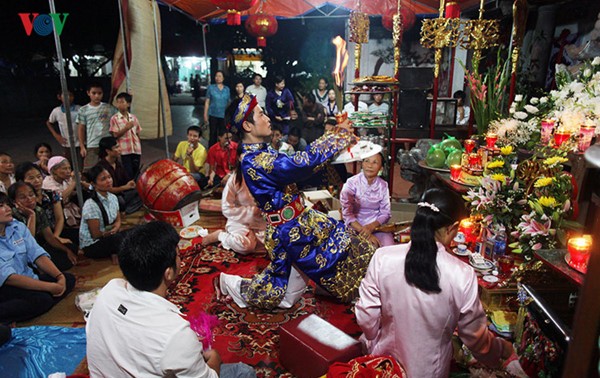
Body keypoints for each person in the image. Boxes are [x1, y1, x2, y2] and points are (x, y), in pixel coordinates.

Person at [216, 94, 376, 310]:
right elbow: (299, 164)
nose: (267, 117)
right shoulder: (255, 161)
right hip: (290, 232)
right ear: (247, 125)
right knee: (283, 296)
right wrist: (338, 135)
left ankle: (338, 285)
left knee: (349, 245)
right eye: (261, 114)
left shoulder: (263, 151)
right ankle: (227, 282)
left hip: (302, 220)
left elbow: (299, 166)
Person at [355, 188, 520, 378]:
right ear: (452, 228)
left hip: (384, 364)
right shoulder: (462, 274)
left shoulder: (383, 257)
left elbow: (366, 316)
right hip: (429, 371)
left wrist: (372, 341)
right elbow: (475, 339)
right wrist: (501, 349)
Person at [86, 221, 256, 378]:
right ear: (168, 273)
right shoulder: (175, 334)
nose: (180, 258)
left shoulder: (109, 291)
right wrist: (214, 359)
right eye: (177, 255)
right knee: (243, 372)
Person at [0, 192, 76, 324]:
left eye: (8, 205)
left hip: (28, 278)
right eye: (1, 206)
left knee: (68, 279)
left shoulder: (17, 226)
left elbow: (37, 254)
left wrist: (59, 277)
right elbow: (10, 278)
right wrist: (49, 287)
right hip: (7, 288)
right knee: (43, 299)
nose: (8, 209)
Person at [202, 145, 266, 255]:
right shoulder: (235, 179)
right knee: (246, 246)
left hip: (261, 221)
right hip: (239, 221)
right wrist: (251, 212)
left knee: (276, 243)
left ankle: (253, 238)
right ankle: (220, 235)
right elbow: (227, 208)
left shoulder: (266, 176)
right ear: (240, 158)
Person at [8, 182, 77, 270]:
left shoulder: (39, 211)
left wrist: (67, 251)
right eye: (22, 197)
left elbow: (50, 237)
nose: (29, 199)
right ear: (14, 202)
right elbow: (27, 244)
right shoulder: (12, 217)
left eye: (31, 195)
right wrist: (31, 216)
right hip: (20, 255)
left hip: (37, 248)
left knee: (70, 249)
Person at [15, 162, 77, 247]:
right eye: (31, 178)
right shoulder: (24, 201)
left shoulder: (52, 194)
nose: (37, 180)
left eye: (39, 176)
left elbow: (59, 218)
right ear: (21, 181)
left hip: (57, 231)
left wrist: (55, 236)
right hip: (35, 237)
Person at [340, 153, 393, 248]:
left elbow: (385, 213)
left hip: (376, 226)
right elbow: (347, 214)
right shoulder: (351, 183)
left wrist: (371, 227)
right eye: (367, 161)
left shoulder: (383, 185)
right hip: (355, 226)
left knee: (388, 248)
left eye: (375, 162)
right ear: (362, 164)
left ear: (381, 168)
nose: (370, 165)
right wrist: (365, 232)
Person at [79, 165, 125, 260]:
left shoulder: (113, 197)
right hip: (93, 244)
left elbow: (118, 220)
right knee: (119, 239)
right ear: (94, 184)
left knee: (133, 233)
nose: (108, 181)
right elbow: (96, 234)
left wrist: (116, 228)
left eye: (109, 177)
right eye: (103, 179)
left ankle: (115, 251)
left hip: (110, 234)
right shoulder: (90, 204)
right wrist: (111, 233)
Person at [77, 82, 117, 169]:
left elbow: (120, 116)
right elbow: (81, 128)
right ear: (88, 93)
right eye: (94, 93)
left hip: (108, 144)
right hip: (92, 145)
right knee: (91, 170)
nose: (97, 96)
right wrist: (82, 146)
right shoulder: (83, 110)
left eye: (99, 93)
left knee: (110, 168)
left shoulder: (109, 108)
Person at [97, 137, 142, 214]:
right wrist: (125, 187)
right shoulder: (101, 167)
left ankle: (125, 211)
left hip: (121, 194)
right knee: (120, 201)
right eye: (116, 147)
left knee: (141, 193)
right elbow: (108, 190)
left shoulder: (118, 164)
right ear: (108, 151)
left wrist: (131, 183)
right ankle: (123, 211)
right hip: (109, 197)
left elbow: (126, 181)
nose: (120, 149)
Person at [109, 92, 142, 180]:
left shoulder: (133, 118)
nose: (120, 104)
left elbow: (138, 132)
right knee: (127, 172)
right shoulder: (114, 118)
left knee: (136, 171)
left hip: (135, 149)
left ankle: (135, 189)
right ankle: (128, 191)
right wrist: (126, 128)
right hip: (124, 150)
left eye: (122, 102)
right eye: (118, 102)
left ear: (128, 104)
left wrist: (138, 144)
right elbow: (115, 134)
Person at [45, 89, 81, 169]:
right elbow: (49, 122)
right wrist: (56, 135)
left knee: (80, 165)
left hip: (80, 143)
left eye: (70, 95)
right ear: (59, 97)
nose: (68, 97)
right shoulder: (56, 111)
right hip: (66, 143)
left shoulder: (79, 109)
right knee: (69, 165)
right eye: (65, 95)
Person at [42, 156, 82, 228]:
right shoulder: (48, 182)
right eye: (64, 168)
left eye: (69, 168)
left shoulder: (65, 179)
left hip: (71, 209)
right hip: (57, 213)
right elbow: (59, 199)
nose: (68, 171)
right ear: (54, 170)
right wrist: (74, 182)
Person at [204, 70, 231, 148]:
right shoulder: (211, 88)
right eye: (216, 76)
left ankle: (222, 150)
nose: (217, 78)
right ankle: (212, 151)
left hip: (223, 115)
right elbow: (207, 102)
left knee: (223, 135)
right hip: (213, 114)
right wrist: (205, 115)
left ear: (223, 78)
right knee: (212, 134)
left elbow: (229, 102)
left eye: (220, 76)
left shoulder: (227, 89)